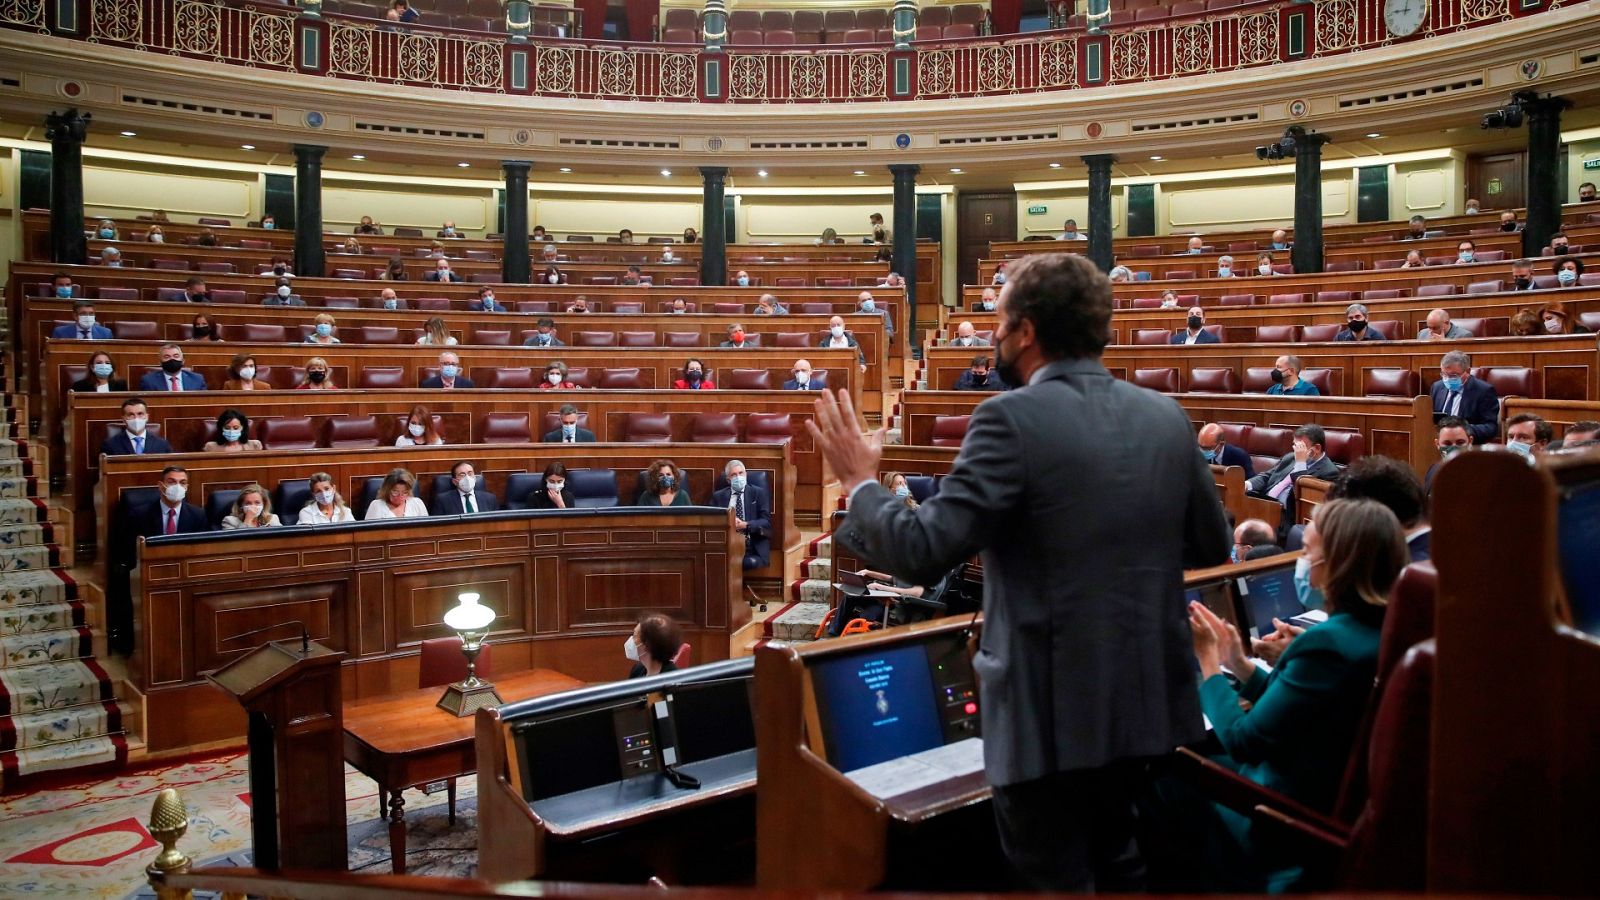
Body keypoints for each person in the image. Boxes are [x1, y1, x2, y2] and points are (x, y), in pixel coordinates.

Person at [806, 252, 1230, 891]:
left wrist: (861, 483)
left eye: (999, 322)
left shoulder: (1008, 420)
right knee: (1122, 871)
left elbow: (921, 549)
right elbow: (1210, 543)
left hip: (1046, 719)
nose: (993, 335)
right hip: (1148, 709)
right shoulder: (1164, 418)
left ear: (1027, 331)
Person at [1174, 498, 1404, 892]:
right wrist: (1242, 666)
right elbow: (1303, 710)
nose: (1303, 560)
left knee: (1167, 766)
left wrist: (1209, 660)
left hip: (1281, 811)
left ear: (1338, 564)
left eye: (1308, 552)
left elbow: (1245, 740)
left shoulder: (1329, 644)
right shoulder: (1385, 626)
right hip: (1319, 780)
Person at [1245, 423, 1338, 509]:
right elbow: (1267, 476)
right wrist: (1246, 485)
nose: (1296, 451)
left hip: (1287, 516)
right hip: (1265, 504)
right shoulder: (1290, 457)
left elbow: (1301, 499)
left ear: (1317, 448)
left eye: (1300, 447)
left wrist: (1300, 464)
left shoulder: (1330, 473)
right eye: (1295, 445)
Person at [712, 460, 773, 570]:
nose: (738, 477)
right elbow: (711, 521)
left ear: (746, 475)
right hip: (727, 545)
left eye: (741, 473)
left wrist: (746, 525)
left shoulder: (758, 493)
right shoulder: (718, 497)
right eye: (733, 475)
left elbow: (766, 522)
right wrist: (729, 522)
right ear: (728, 479)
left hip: (751, 545)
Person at [1431, 350, 1498, 444]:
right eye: (1444, 374)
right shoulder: (1437, 387)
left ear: (1468, 371)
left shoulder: (1483, 391)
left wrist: (1463, 430)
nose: (1447, 379)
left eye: (1453, 375)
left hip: (1467, 447)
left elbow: (1491, 427)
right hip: (1439, 445)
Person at [136, 466, 208, 537]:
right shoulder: (140, 515)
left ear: (186, 487)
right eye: (171, 482)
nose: (177, 487)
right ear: (161, 486)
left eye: (182, 483)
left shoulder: (197, 515)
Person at [102, 398, 171, 456]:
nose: (136, 418)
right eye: (131, 415)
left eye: (140, 414)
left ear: (147, 417)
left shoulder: (162, 444)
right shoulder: (110, 445)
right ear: (123, 419)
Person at [625, 613, 682, 679]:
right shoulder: (638, 670)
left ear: (647, 645)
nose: (631, 639)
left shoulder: (672, 679)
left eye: (635, 635)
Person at [433, 460, 499, 515]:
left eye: (470, 473)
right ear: (454, 481)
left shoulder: (490, 499)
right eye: (462, 475)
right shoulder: (443, 500)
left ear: (475, 478)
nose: (467, 478)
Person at [1425, 416, 1471, 492]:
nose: (1454, 448)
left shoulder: (1480, 475)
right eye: (1447, 443)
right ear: (1437, 444)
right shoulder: (1433, 471)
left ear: (1470, 442)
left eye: (1460, 443)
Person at [138, 344, 208, 392]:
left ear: (183, 361)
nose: (172, 359)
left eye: (176, 356)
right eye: (167, 357)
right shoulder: (148, 381)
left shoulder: (197, 379)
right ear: (159, 362)